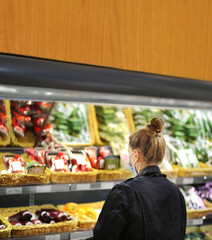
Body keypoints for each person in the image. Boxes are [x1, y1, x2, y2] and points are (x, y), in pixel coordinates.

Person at [87, 117, 186, 240]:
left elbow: (103, 237)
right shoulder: (176, 192)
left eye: (129, 155)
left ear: (136, 156)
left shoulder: (124, 192)